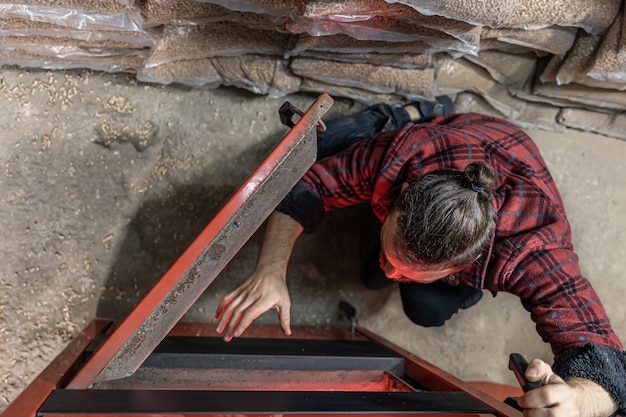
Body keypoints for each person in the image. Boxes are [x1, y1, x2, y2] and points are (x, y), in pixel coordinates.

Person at [215, 97, 626, 417]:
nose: (390, 268)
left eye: (406, 269)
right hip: (472, 133)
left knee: (426, 309)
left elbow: (608, 365)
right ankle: (423, 111)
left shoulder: (532, 247)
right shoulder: (404, 155)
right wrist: (270, 269)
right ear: (400, 197)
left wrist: (581, 400)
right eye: (392, 254)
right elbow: (310, 184)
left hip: (513, 166)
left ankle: (435, 283)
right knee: (325, 144)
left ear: (462, 267)